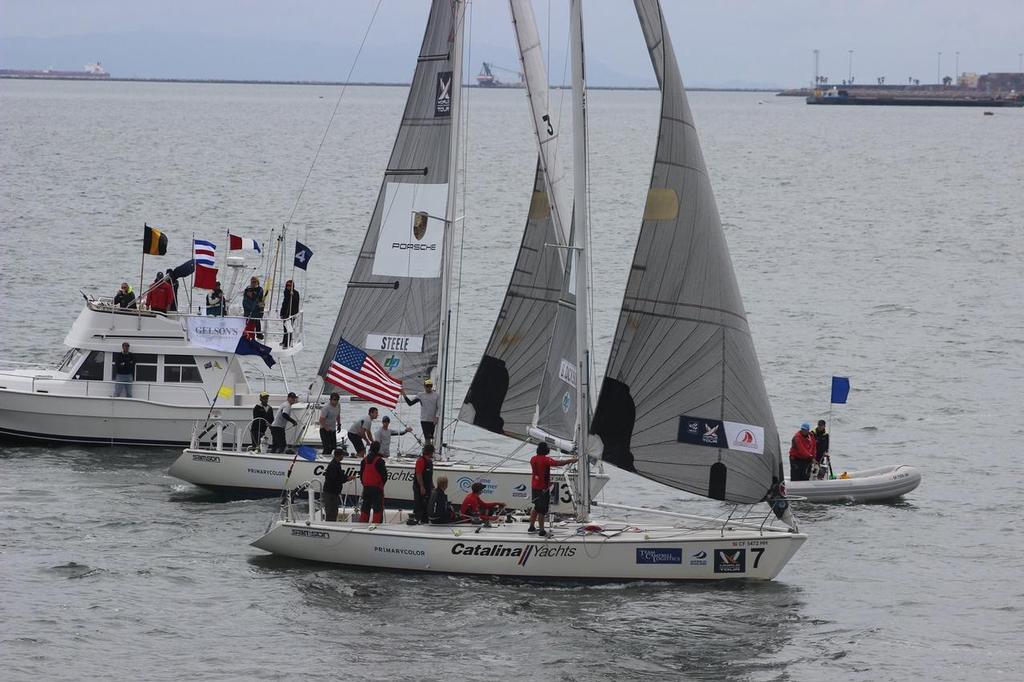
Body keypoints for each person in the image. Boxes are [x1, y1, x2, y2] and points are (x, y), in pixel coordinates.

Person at [528, 442, 578, 537]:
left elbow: (540, 472)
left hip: (534, 486)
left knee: (536, 507)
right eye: (547, 448)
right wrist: (571, 460)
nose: (549, 449)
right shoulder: (546, 459)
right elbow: (557, 463)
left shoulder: (533, 459)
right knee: (542, 510)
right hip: (543, 488)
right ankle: (542, 530)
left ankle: (531, 526)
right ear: (545, 449)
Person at [402, 378, 440, 446]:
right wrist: (404, 394)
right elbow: (410, 403)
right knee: (427, 438)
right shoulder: (420, 395)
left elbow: (439, 407)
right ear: (424, 386)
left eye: (430, 386)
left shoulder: (436, 395)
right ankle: (427, 452)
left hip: (433, 420)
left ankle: (430, 451)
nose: (429, 387)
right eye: (427, 386)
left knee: (431, 438)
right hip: (424, 420)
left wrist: (437, 417)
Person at [358, 441, 387, 523]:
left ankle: (362, 525)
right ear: (378, 449)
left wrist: (364, 484)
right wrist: (381, 485)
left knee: (365, 508)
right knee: (378, 509)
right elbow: (384, 476)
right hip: (377, 488)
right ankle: (376, 527)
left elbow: (361, 474)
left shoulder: (364, 460)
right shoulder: (380, 461)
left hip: (366, 487)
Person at [322, 448, 352, 522]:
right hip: (330, 493)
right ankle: (329, 527)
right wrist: (347, 479)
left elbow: (340, 476)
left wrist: (347, 477)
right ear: (339, 455)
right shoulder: (333, 465)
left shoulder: (337, 464)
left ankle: (331, 525)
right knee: (331, 512)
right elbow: (335, 479)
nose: (343, 457)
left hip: (334, 493)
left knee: (334, 512)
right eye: (342, 455)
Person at [410, 444, 434, 524]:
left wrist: (432, 485)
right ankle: (416, 519)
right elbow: (418, 474)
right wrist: (421, 486)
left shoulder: (430, 462)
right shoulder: (421, 461)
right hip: (420, 486)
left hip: (428, 486)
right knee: (419, 503)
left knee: (426, 504)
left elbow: (430, 475)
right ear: (430, 452)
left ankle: (425, 520)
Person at [279, 279, 300, 348]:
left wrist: (292, 296)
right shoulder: (286, 292)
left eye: (290, 285)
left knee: (289, 328)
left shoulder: (296, 293)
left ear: (292, 286)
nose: (288, 287)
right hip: (285, 313)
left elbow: (296, 302)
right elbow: (284, 303)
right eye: (287, 285)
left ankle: (287, 343)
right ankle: (284, 341)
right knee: (285, 327)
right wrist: (281, 313)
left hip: (292, 313)